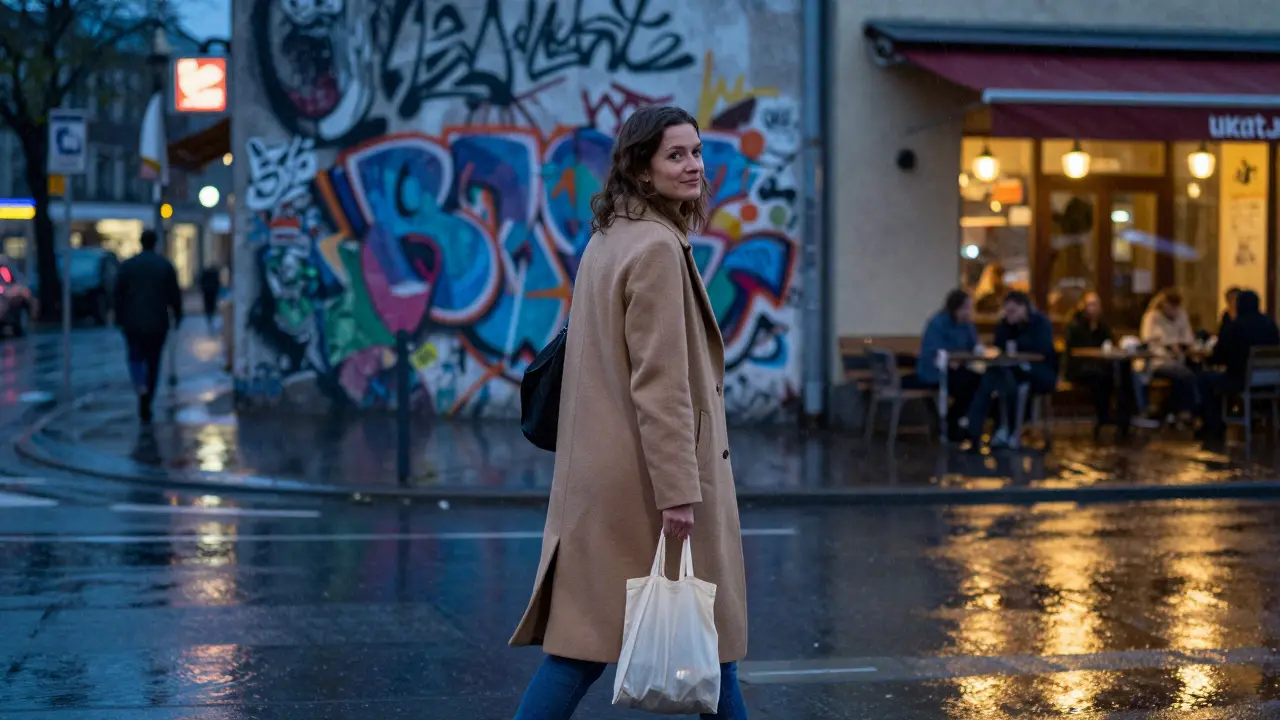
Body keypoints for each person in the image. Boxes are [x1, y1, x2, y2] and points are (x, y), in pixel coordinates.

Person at [509, 106, 749, 720]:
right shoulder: (657, 248)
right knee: (697, 641)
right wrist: (679, 492)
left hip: (603, 475)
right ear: (642, 170)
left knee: (590, 646)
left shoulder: (611, 237)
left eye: (697, 152)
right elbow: (660, 384)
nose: (694, 166)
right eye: (676, 155)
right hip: (643, 485)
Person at [965, 291, 1058, 449]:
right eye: (1007, 311)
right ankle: (978, 429)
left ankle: (1004, 427)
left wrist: (1017, 344)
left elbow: (1043, 350)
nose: (1009, 315)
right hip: (1012, 369)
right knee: (991, 376)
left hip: (1039, 371)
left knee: (1003, 380)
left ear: (1024, 308)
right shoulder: (1005, 324)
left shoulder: (1040, 323)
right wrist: (1007, 326)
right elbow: (999, 347)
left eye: (1012, 311)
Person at [113, 229, 182, 422]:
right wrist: (178, 315)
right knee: (153, 361)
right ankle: (148, 396)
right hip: (157, 322)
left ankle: (140, 386)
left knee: (135, 356)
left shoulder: (128, 266)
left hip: (132, 321)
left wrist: (119, 317)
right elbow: (174, 295)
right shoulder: (164, 266)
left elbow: (117, 294)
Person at [1198, 289, 1280, 439]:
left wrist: (1206, 358)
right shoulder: (1270, 325)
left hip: (1240, 380)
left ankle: (1214, 426)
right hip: (1270, 382)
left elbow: (1219, 357)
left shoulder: (1235, 326)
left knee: (1204, 379)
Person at [907, 289, 981, 440]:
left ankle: (954, 423)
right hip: (933, 371)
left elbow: (974, 346)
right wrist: (952, 358)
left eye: (969, 308)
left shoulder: (967, 325)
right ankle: (952, 425)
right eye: (965, 308)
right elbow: (933, 351)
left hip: (957, 368)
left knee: (979, 382)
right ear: (955, 308)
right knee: (970, 384)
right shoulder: (938, 323)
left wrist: (977, 351)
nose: (968, 312)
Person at [1065, 292, 1133, 438]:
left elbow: (1110, 342)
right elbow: (1077, 350)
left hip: (1099, 365)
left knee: (1120, 376)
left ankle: (1121, 418)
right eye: (1090, 304)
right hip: (1079, 367)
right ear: (1083, 306)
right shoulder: (1076, 325)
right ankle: (1104, 416)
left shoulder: (1102, 325)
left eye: (1096, 305)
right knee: (1102, 378)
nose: (1093, 308)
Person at [1139, 288, 1198, 418]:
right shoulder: (1152, 317)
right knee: (1185, 375)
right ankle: (1185, 411)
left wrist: (1181, 345)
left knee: (1195, 373)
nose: (1173, 310)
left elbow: (1189, 338)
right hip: (1158, 362)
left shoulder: (1181, 315)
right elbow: (1146, 340)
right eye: (1170, 306)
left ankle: (1180, 411)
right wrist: (1170, 344)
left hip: (1179, 359)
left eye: (1176, 306)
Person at [199, 266, 222, 331]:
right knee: (211, 307)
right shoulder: (214, 274)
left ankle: (210, 320)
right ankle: (210, 320)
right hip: (211, 292)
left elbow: (201, 282)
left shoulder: (206, 274)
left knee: (208, 307)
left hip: (208, 292)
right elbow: (217, 283)